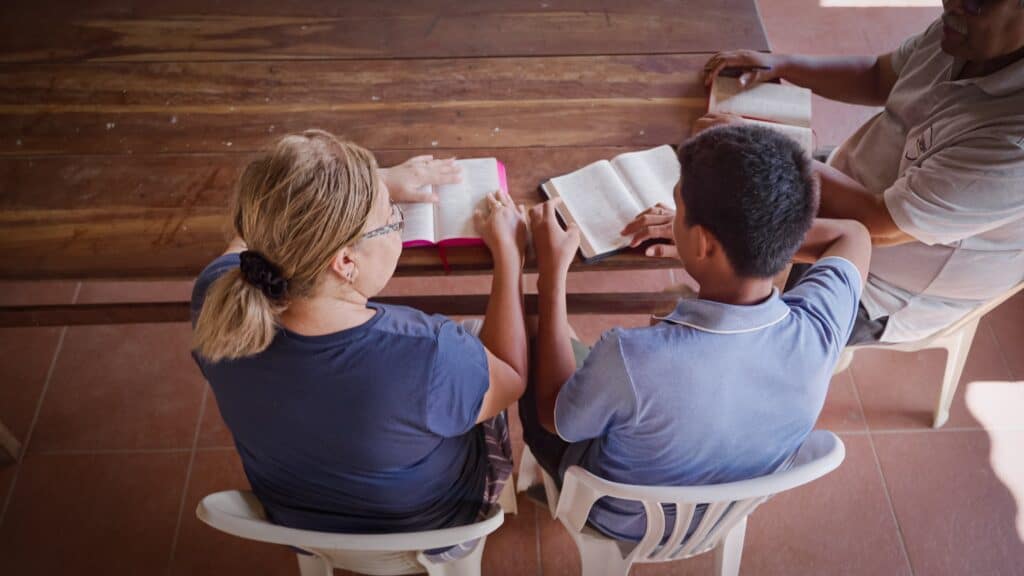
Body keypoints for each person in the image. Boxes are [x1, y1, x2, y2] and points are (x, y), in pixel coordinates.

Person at [520, 124, 871, 542]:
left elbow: (553, 415)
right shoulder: (819, 330)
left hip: (622, 515)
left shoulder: (631, 356)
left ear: (703, 243)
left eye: (678, 212)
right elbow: (855, 234)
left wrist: (552, 276)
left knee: (537, 326)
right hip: (721, 511)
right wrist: (751, 237)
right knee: (649, 337)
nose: (673, 219)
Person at [189, 130, 527, 552]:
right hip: (432, 525)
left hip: (299, 522)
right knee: (481, 343)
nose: (398, 228)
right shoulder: (429, 352)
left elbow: (254, 233)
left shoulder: (215, 298)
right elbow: (512, 378)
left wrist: (358, 186)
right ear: (345, 262)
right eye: (392, 219)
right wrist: (510, 255)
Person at [700, 0, 1024, 344]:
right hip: (855, 183)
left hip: (878, 283)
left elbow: (877, 225)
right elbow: (878, 76)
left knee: (746, 334)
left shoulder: (1012, 145)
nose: (950, 7)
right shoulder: (964, 34)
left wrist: (760, 147)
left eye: (975, 4)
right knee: (714, 195)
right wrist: (784, 65)